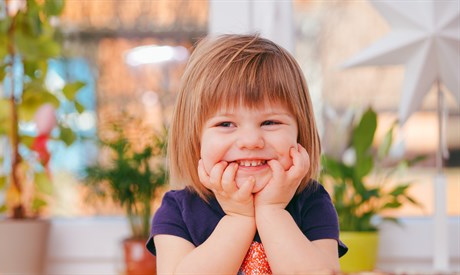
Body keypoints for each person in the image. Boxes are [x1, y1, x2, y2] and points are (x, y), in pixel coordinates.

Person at [146, 34, 347, 274]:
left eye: (270, 122)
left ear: (300, 133)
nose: (251, 141)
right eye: (226, 124)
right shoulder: (178, 210)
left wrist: (272, 211)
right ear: (195, 138)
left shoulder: (312, 201)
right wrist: (238, 219)